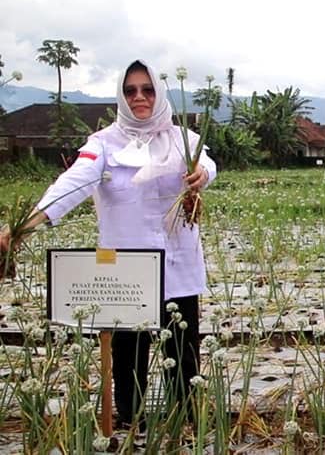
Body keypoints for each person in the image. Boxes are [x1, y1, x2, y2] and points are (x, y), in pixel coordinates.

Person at [0, 60, 216, 429]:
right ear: (121, 95)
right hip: (126, 273)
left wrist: (202, 176)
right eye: (130, 91)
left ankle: (185, 429)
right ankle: (133, 428)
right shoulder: (102, 145)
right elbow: (72, 184)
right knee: (128, 360)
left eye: (147, 90)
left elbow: (207, 165)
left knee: (183, 357)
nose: (139, 98)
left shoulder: (184, 140)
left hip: (178, 266)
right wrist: (25, 226)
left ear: (159, 93)